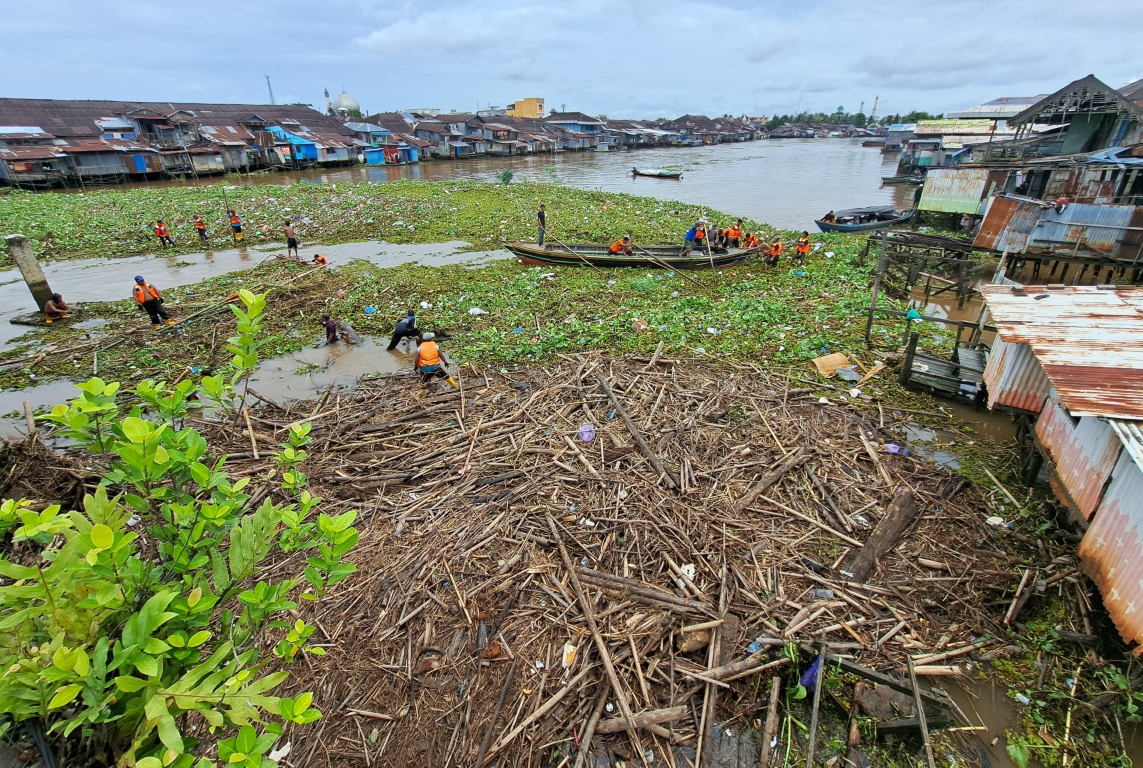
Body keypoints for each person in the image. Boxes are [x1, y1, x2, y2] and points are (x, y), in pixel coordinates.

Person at [414, 332, 457, 397]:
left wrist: (415, 366)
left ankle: (420, 396)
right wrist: (445, 362)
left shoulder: (419, 348)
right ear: (431, 339)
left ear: (423, 340)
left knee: (424, 382)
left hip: (426, 370)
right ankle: (454, 386)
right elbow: (441, 355)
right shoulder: (436, 346)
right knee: (446, 376)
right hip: (436, 368)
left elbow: (416, 359)